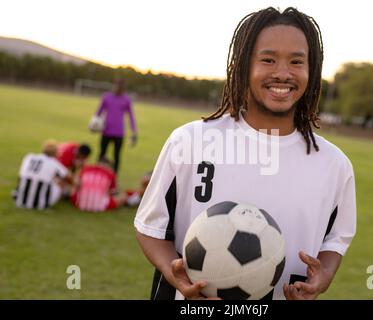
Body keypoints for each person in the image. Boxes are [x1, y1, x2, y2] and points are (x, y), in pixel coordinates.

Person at [134, 7, 356, 300]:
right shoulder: (190, 141)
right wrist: (171, 269)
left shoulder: (333, 164)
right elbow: (151, 226)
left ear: (311, 71)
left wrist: (324, 275)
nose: (282, 73)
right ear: (243, 66)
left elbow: (335, 241)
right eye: (268, 59)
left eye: (296, 61)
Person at [13, 139, 71, 210]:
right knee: (61, 182)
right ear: (55, 152)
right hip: (40, 204)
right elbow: (69, 178)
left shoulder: (29, 157)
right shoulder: (55, 163)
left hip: (19, 199)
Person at [95, 78, 137, 173]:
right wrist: (95, 123)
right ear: (115, 86)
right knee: (102, 154)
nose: (119, 89)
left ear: (124, 88)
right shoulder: (107, 97)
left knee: (116, 156)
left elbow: (131, 116)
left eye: (121, 87)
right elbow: (99, 111)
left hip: (119, 133)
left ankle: (114, 177)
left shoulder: (126, 99)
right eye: (118, 86)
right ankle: (97, 174)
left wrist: (134, 131)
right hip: (106, 130)